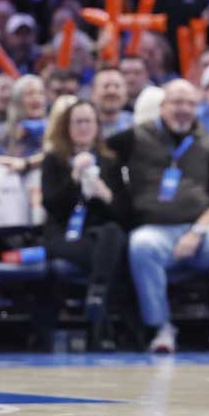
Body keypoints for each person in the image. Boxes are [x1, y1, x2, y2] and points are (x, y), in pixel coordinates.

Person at [110, 79, 209, 354]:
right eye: (176, 102)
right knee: (141, 244)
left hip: (199, 232)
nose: (182, 109)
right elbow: (95, 150)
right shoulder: (136, 136)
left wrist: (196, 232)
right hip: (156, 231)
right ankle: (160, 327)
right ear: (162, 107)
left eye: (189, 103)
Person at [40, 100, 126, 350]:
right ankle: (100, 316)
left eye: (89, 121)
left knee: (111, 233)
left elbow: (122, 212)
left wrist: (105, 194)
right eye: (78, 121)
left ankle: (96, 296)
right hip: (63, 237)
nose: (83, 127)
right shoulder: (53, 161)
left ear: (97, 126)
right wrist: (74, 177)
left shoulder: (110, 161)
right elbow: (52, 205)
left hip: (99, 235)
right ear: (66, 127)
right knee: (110, 253)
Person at [90, 68, 134, 137]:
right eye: (106, 86)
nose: (112, 91)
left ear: (126, 93)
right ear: (93, 93)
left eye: (117, 86)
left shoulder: (136, 124)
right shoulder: (82, 126)